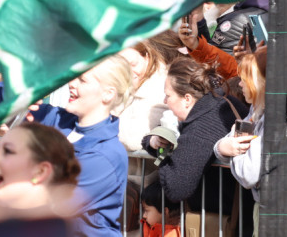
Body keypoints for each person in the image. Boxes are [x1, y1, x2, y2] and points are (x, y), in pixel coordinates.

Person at [30, 54, 134, 237]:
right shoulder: (57, 119)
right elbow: (0, 105)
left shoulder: (107, 155)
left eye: (82, 80)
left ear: (108, 93)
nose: (72, 83)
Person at [143, 58, 246, 220]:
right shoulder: (221, 100)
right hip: (235, 213)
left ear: (187, 99)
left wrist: (164, 152)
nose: (164, 101)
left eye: (168, 95)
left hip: (225, 219)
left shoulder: (200, 130)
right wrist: (153, 141)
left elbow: (175, 189)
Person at [214, 48, 266, 235]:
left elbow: (249, 174)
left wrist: (234, 151)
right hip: (261, 204)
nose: (240, 84)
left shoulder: (268, 118)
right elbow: (227, 142)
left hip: (271, 207)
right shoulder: (255, 110)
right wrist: (222, 147)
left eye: (245, 78)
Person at [116, 40, 169, 152]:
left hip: (141, 167)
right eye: (122, 67)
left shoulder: (162, 87)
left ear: (147, 57)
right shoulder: (117, 82)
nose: (129, 72)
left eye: (133, 64)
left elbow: (135, 139)